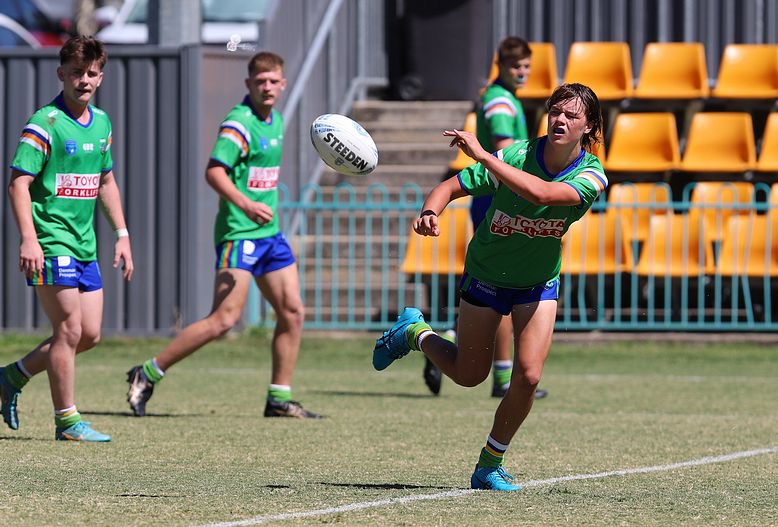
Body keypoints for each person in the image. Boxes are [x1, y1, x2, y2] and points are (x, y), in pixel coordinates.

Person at [374, 83, 605, 490]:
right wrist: (431, 211)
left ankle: (488, 465)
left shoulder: (592, 174)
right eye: (555, 112)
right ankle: (415, 333)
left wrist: (483, 154)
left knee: (529, 376)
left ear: (589, 126)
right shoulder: (516, 154)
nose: (560, 120)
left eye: (571, 115)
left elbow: (544, 193)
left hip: (537, 282)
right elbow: (449, 187)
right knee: (469, 375)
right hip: (486, 273)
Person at [126, 51, 321, 419]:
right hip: (239, 233)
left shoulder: (276, 120)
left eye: (273, 81)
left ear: (283, 84)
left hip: (270, 235)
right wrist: (246, 204)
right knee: (224, 320)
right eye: (259, 81)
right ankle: (147, 372)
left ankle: (279, 398)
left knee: (293, 312)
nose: (267, 87)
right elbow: (214, 172)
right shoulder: (239, 123)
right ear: (248, 84)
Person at [0, 36, 134, 442]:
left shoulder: (103, 123)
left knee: (88, 335)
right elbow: (17, 185)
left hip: (85, 245)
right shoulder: (45, 123)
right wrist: (29, 239)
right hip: (51, 240)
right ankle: (68, 421)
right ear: (61, 74)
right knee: (69, 331)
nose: (85, 80)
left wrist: (122, 235)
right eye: (77, 72)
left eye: (92, 73)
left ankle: (12, 376)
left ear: (101, 77)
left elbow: (105, 180)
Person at [423, 37, 547, 400]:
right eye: (515, 67)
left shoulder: (506, 96)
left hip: (505, 199)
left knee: (498, 287)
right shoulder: (499, 101)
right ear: (501, 66)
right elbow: (506, 150)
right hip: (500, 200)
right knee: (504, 284)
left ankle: (449, 336)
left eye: (526, 67)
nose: (522, 73)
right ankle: (503, 378)